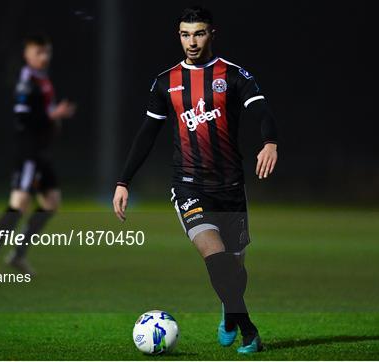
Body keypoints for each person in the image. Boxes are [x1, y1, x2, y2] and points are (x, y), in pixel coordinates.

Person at [112, 7, 278, 354]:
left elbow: (261, 110)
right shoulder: (165, 82)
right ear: (179, 36)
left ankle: (230, 313)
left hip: (231, 187)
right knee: (213, 254)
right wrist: (123, 181)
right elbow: (146, 134)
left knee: (235, 269)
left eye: (199, 33)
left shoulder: (232, 75)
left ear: (212, 34)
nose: (192, 41)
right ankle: (249, 331)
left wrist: (270, 141)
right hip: (188, 186)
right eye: (186, 34)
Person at [0, 35, 76, 276]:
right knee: (19, 203)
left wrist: (54, 117)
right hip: (29, 153)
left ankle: (18, 254)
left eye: (47, 52)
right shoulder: (26, 81)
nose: (44, 57)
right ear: (27, 55)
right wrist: (53, 116)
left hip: (42, 153)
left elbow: (42, 114)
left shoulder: (43, 80)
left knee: (51, 203)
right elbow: (22, 119)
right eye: (39, 52)